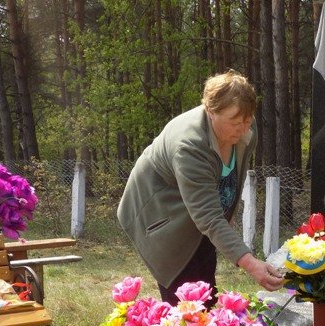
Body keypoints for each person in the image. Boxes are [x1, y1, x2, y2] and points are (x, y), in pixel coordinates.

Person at [117, 70, 283, 303]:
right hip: (160, 215)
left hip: (197, 211)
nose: (243, 129)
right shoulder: (190, 147)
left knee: (205, 288)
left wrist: (228, 215)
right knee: (185, 301)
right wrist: (251, 264)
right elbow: (208, 218)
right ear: (210, 112)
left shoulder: (245, 127)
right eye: (235, 122)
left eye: (247, 121)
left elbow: (231, 179)